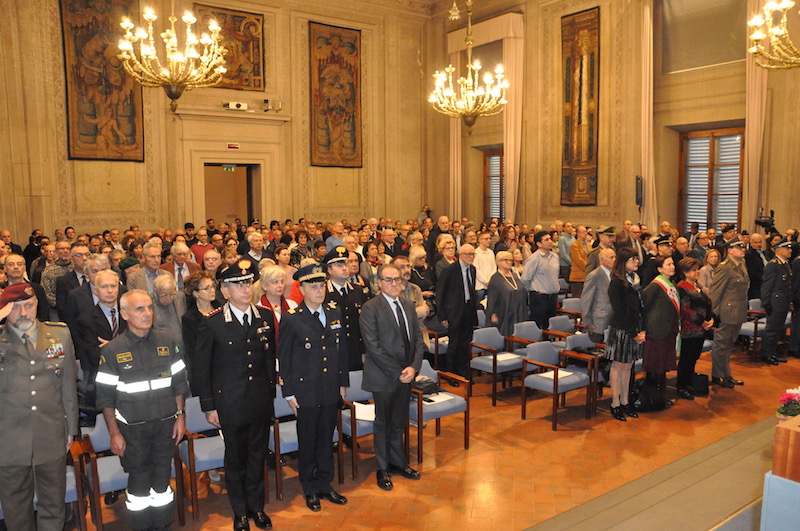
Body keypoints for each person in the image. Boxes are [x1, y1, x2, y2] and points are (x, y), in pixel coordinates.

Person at [95, 290, 188, 531]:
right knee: (139, 483)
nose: (147, 314)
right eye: (140, 309)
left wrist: (180, 416)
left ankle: (163, 525)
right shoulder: (112, 350)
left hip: (165, 426)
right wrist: (114, 433)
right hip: (132, 431)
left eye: (149, 308)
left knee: (162, 480)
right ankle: (142, 527)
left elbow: (179, 384)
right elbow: (105, 398)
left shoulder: (166, 342)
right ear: (125, 314)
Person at [195, 259, 276, 530]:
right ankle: (240, 511)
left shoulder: (264, 316)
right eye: (238, 285)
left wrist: (270, 395)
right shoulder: (213, 323)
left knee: (257, 456)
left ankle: (257, 507)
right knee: (236, 459)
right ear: (225, 291)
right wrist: (209, 406)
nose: (245, 289)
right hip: (230, 403)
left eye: (247, 283)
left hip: (259, 400)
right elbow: (202, 368)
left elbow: (269, 359)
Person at [0, 284, 79, 531]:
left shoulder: (59, 334)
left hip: (50, 432)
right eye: (15, 308)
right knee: (15, 508)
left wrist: (71, 428)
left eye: (29, 305)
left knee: (53, 503)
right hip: (8, 438)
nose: (24, 313)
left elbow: (68, 385)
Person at [278, 263, 350, 512]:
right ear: (302, 290)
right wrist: (288, 392)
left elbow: (341, 351)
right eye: (313, 287)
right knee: (308, 441)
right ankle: (309, 488)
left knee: (327, 439)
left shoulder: (334, 312)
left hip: (330, 388)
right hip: (305, 391)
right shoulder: (292, 318)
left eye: (322, 286)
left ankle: (325, 484)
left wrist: (343, 382)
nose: (319, 291)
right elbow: (285, 359)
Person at [359, 264, 424, 491]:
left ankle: (398, 463)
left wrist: (414, 367)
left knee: (399, 422)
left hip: (407, 374)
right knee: (383, 423)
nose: (394, 284)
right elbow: (373, 346)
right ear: (379, 282)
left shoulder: (407, 304)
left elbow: (418, 338)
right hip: (384, 376)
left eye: (397, 279)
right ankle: (383, 468)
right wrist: (399, 372)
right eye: (388, 280)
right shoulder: (370, 308)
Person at [605, 247, 645, 421]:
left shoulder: (635, 280)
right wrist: (633, 332)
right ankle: (615, 403)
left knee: (628, 365)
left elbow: (640, 307)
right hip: (622, 329)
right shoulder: (616, 283)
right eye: (632, 259)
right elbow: (620, 311)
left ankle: (625, 400)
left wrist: (642, 329)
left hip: (635, 327)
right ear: (623, 262)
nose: (636, 261)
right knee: (618, 365)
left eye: (636, 258)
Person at [708, 240, 749, 388]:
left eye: (743, 247)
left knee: (729, 345)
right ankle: (718, 375)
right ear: (730, 250)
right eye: (739, 247)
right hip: (726, 313)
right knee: (721, 345)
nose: (743, 249)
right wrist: (714, 314)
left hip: (737, 313)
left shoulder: (741, 265)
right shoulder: (724, 267)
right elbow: (715, 293)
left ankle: (726, 374)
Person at [435, 244, 478, 382]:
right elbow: (440, 294)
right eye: (469, 254)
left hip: (468, 309)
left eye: (473, 254)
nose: (471, 257)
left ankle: (462, 371)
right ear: (461, 255)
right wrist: (442, 316)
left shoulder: (473, 269)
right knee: (454, 343)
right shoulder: (450, 270)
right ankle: (451, 374)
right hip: (453, 312)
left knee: (465, 343)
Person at [324, 246, 371, 370]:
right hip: (334, 353)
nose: (345, 268)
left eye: (346, 264)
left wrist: (365, 350)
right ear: (329, 270)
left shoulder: (358, 290)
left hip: (356, 351)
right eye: (339, 265)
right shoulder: (323, 293)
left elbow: (365, 324)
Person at [642, 255, 679, 405]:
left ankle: (660, 397)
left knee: (663, 365)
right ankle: (652, 398)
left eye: (672, 264)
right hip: (657, 331)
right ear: (659, 269)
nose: (672, 267)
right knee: (655, 365)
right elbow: (644, 305)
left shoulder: (672, 283)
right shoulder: (655, 285)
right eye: (668, 264)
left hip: (669, 330)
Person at [675, 258, 714, 400]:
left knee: (693, 358)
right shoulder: (682, 287)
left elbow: (706, 303)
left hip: (701, 329)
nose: (697, 272)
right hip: (690, 329)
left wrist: (710, 318)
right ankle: (682, 386)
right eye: (694, 270)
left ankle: (689, 383)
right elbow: (685, 310)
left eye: (698, 269)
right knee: (686, 359)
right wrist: (702, 322)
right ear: (685, 272)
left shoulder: (696, 285)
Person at [760, 237, 793, 365]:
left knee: (778, 329)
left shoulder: (785, 264)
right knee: (771, 329)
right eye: (787, 248)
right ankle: (767, 354)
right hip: (774, 303)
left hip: (783, 303)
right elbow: (766, 286)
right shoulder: (773, 265)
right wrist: (766, 303)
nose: (790, 250)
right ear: (779, 249)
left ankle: (773, 353)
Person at [521, 231, 560, 330]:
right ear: (539, 244)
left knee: (550, 327)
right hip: (539, 298)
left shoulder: (555, 257)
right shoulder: (534, 258)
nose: (550, 241)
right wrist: (533, 291)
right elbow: (525, 279)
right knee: (537, 326)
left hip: (553, 297)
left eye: (550, 239)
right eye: (546, 240)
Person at [486, 251, 528, 336]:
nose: (509, 262)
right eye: (506, 260)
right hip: (504, 314)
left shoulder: (514, 276)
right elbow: (492, 299)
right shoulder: (496, 279)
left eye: (511, 260)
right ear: (498, 262)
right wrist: (493, 314)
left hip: (519, 312)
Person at [581, 248, 615, 343]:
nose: (614, 260)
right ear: (602, 259)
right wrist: (587, 322)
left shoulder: (614, 274)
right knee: (598, 347)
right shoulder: (594, 275)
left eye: (615, 257)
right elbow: (586, 300)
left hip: (613, 317)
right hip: (599, 320)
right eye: (611, 257)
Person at [569, 225, 590, 296]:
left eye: (586, 232)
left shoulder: (588, 244)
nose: (586, 234)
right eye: (583, 232)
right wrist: (589, 268)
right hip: (578, 278)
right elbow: (579, 261)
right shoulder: (574, 246)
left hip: (587, 277)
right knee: (578, 299)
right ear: (578, 233)